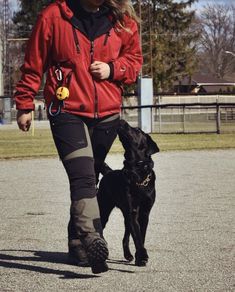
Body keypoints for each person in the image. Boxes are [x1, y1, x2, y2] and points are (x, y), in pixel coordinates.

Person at [14, 0, 142, 274]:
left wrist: (113, 68)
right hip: (66, 110)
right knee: (82, 176)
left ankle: (77, 240)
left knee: (90, 175)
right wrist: (24, 103)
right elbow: (33, 62)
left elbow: (134, 62)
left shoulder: (122, 19)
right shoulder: (53, 16)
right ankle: (93, 236)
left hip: (107, 113)